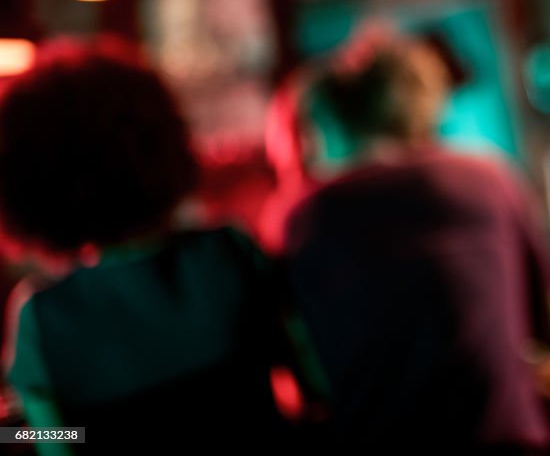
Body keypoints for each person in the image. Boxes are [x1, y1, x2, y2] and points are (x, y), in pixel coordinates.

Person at [0, 38, 326, 453]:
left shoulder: (43, 319)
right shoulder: (229, 253)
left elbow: (52, 439)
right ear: (163, 142)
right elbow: (315, 384)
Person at [282, 31, 550, 454]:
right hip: (512, 442)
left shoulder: (309, 215)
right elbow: (545, 321)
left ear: (330, 122)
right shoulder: (490, 178)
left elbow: (306, 373)